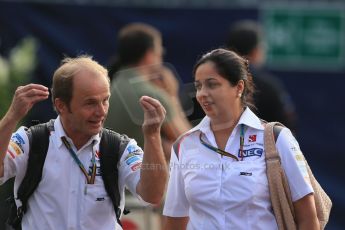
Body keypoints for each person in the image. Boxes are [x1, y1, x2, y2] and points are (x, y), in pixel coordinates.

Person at [0, 56, 168, 230]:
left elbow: (153, 195)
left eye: (105, 100)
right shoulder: (30, 141)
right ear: (61, 106)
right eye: (90, 103)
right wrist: (12, 116)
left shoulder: (120, 148)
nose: (101, 111)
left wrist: (153, 135)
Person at [163, 48, 319, 229]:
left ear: (239, 87)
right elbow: (175, 221)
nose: (202, 93)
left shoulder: (277, 139)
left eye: (212, 84)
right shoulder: (184, 145)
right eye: (198, 86)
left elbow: (308, 218)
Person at [106, 22, 191, 162]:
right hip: (140, 177)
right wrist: (172, 97)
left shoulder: (111, 85)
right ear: (149, 54)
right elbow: (189, 145)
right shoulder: (150, 94)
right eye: (160, 52)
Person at [225, 20, 297, 132]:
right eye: (262, 45)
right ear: (255, 50)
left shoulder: (213, 82)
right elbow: (286, 128)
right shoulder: (269, 87)